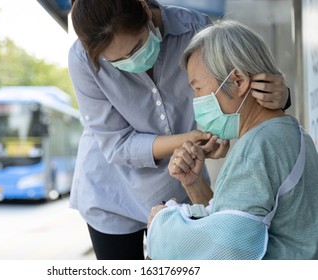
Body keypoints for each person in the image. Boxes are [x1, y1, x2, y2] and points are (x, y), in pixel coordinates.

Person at [68, 0, 290, 260]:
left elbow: (234, 86)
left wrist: (281, 95)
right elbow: (117, 145)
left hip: (180, 187)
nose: (132, 62)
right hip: (111, 193)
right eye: (118, 62)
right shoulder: (82, 59)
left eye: (138, 46)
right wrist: (191, 140)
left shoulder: (194, 29)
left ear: (144, 9)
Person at [146, 20, 318, 260]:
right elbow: (232, 222)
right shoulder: (291, 133)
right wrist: (194, 183)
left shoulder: (258, 147)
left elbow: (228, 251)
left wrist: (162, 223)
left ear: (237, 80)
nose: (195, 99)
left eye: (197, 88)